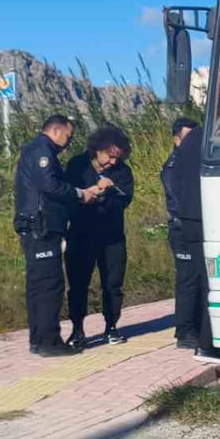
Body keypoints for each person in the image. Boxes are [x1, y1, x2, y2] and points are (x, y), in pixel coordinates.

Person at [13, 115, 107, 357]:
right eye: (68, 135)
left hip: (37, 225)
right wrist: (80, 194)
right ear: (56, 131)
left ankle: (39, 339)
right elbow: (50, 185)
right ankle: (49, 341)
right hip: (42, 226)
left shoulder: (38, 150)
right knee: (49, 285)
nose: (69, 141)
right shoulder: (42, 152)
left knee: (38, 286)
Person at [164, 118, 220, 365]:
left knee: (207, 281)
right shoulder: (211, 136)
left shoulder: (194, 139)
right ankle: (209, 344)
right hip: (202, 219)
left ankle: (210, 340)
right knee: (210, 282)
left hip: (192, 219)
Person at [64, 125, 135, 348]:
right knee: (78, 284)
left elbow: (124, 201)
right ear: (98, 150)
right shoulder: (77, 165)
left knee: (113, 284)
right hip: (81, 234)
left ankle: (111, 327)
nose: (113, 162)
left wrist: (110, 192)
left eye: (118, 157)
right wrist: (95, 189)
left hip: (112, 236)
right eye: (110, 156)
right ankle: (77, 330)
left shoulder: (123, 172)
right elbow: (67, 196)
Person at [161, 118, 201, 349]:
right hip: (182, 228)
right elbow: (177, 199)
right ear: (177, 140)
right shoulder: (174, 165)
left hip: (194, 227)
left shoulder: (191, 162)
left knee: (199, 278)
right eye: (188, 138)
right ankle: (185, 332)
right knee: (187, 281)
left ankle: (197, 327)